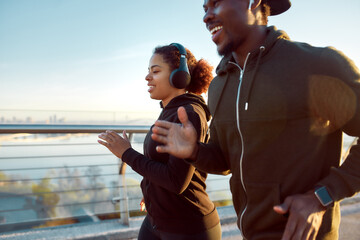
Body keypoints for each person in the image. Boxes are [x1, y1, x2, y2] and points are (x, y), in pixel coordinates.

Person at [150, 0, 360, 239]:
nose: (207, 17)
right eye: (204, 8)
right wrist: (194, 151)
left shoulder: (317, 64)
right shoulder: (219, 84)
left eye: (216, 3)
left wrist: (322, 196)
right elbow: (225, 160)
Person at [98, 43, 222, 240]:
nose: (148, 77)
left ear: (179, 76)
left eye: (155, 71)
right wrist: (152, 192)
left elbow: (176, 181)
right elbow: (164, 163)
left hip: (188, 228)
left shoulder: (188, 113)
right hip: (157, 220)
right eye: (148, 71)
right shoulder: (169, 111)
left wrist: (126, 153)